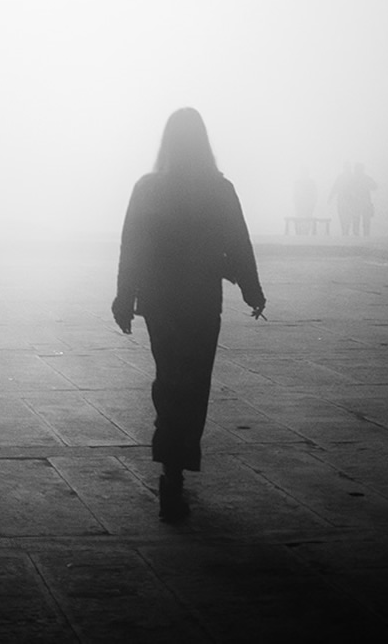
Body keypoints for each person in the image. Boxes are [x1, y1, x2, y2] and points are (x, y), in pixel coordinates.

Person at [112, 108, 266, 522]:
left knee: (169, 380)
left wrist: (124, 298)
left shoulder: (148, 188)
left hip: (160, 301)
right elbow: (239, 243)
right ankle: (175, 473)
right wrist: (252, 290)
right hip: (200, 300)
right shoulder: (219, 188)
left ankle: (170, 468)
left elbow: (133, 247)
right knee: (194, 385)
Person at [350, 162, 378, 237]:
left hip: (360, 203)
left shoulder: (354, 179)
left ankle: (359, 237)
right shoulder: (365, 178)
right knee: (363, 222)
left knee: (359, 221)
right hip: (363, 202)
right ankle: (364, 237)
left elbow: (374, 186)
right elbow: (375, 186)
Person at [328, 162, 354, 236]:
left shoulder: (350, 177)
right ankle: (345, 231)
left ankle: (345, 231)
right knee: (343, 216)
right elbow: (335, 187)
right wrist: (330, 197)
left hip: (347, 201)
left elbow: (334, 188)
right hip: (344, 201)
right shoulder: (343, 177)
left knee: (346, 216)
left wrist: (330, 197)